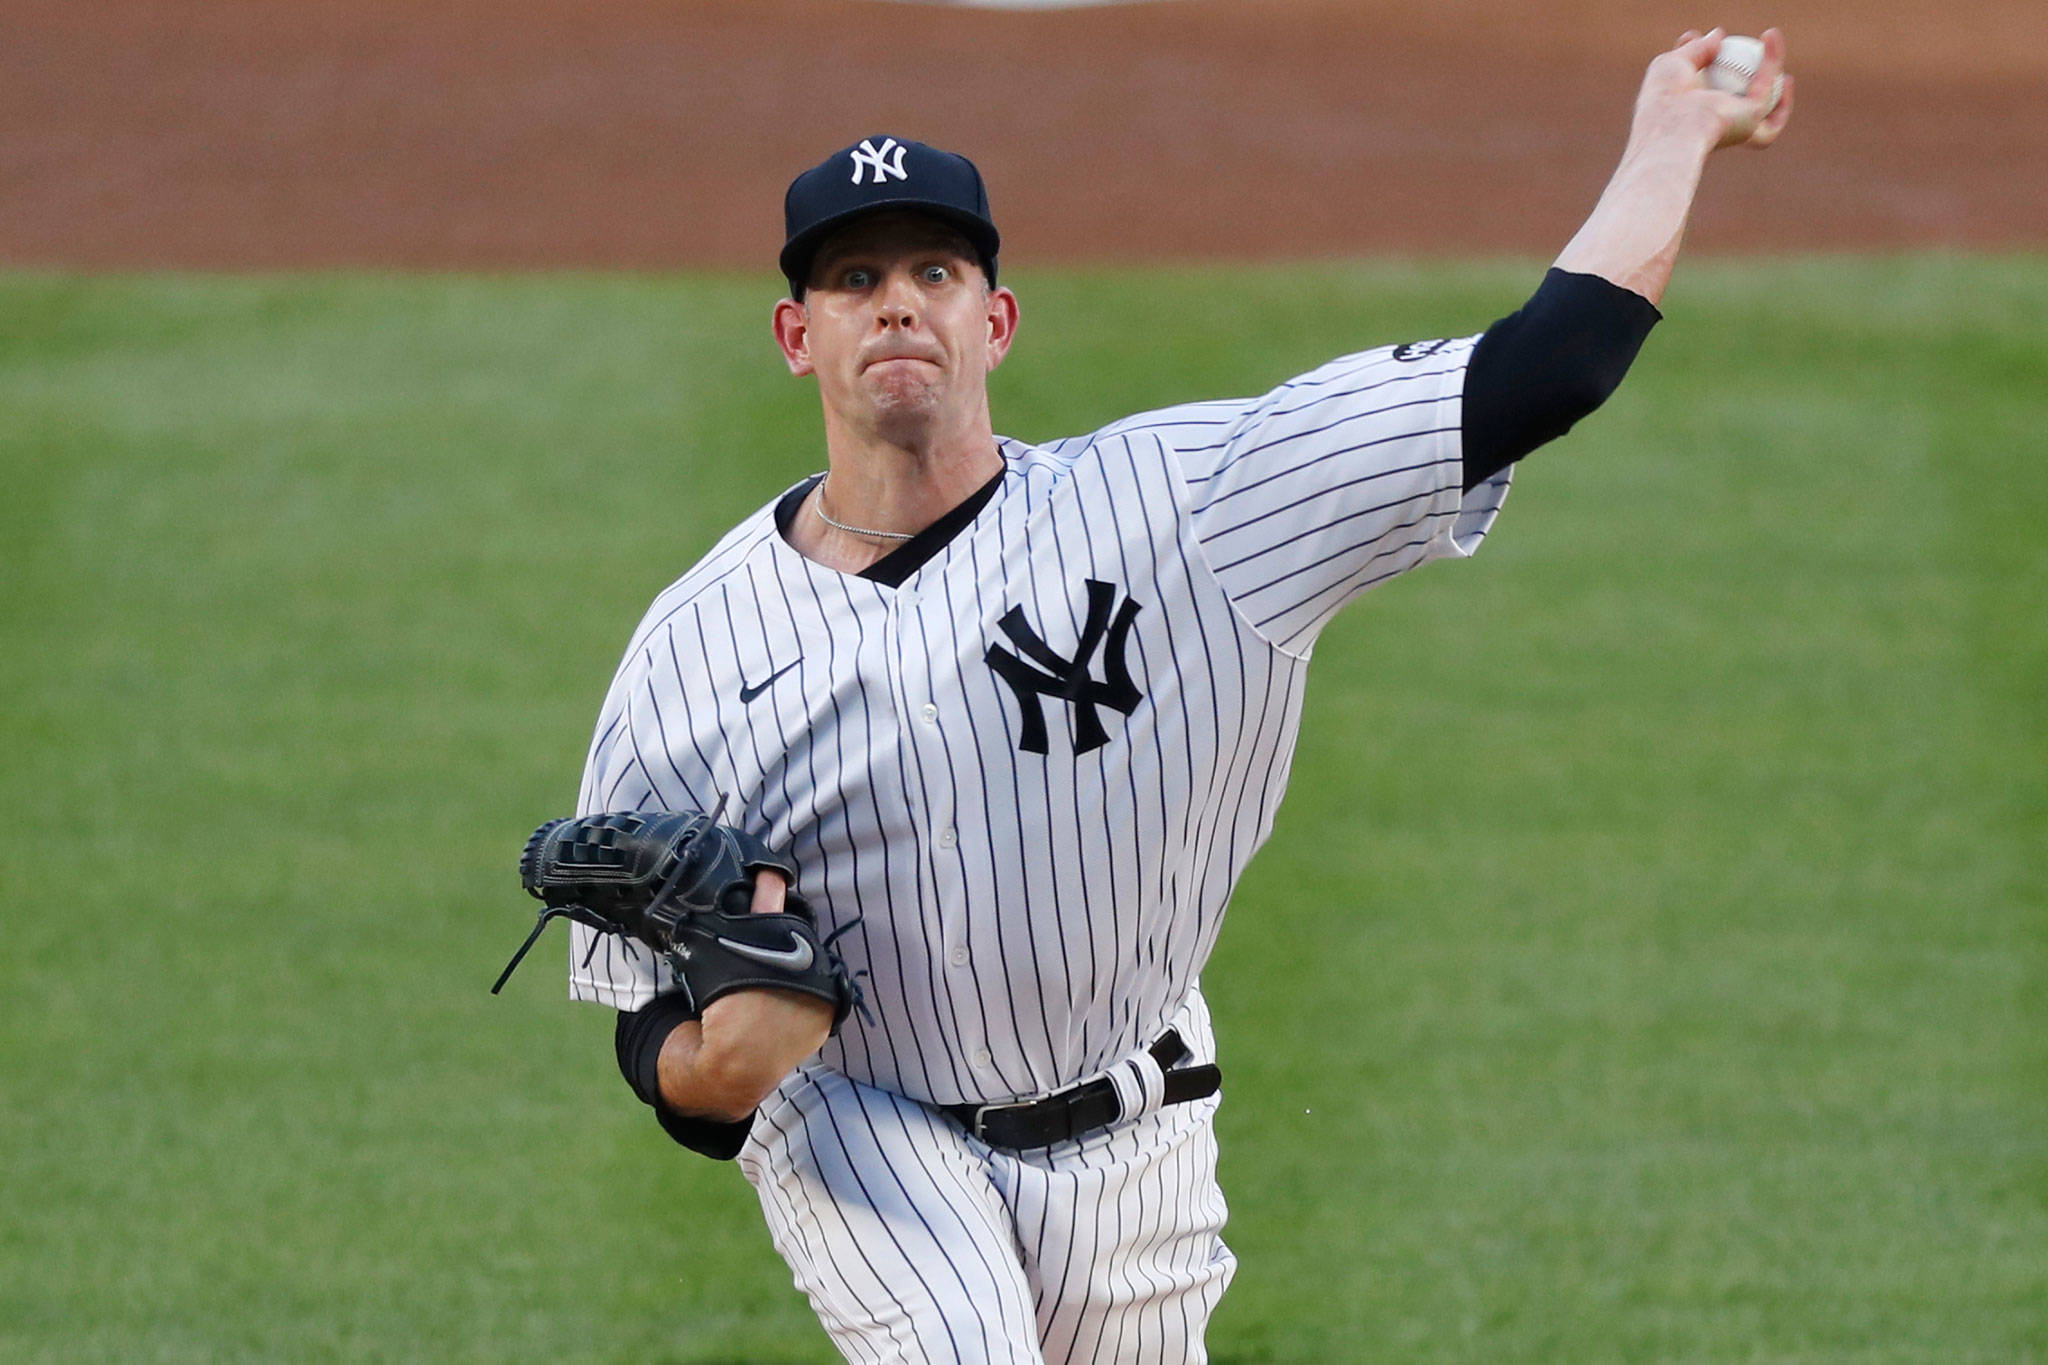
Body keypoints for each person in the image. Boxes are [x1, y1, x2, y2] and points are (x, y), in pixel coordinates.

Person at [569, 30, 1792, 1363]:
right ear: (799, 337)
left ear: (999, 318)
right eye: (855, 279)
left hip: (1137, 1133)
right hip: (864, 1125)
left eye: (935, 270)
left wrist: (1674, 134)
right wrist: (714, 1073)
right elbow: (654, 1025)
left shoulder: (1191, 507)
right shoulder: (691, 653)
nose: (899, 303)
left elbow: (1541, 371)